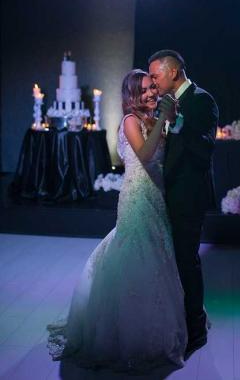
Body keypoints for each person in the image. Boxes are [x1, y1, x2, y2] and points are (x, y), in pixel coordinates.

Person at [47, 69, 187, 374]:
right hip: (137, 196)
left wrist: (171, 120)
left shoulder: (151, 118)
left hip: (157, 196)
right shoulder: (130, 121)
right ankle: (126, 332)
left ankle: (154, 324)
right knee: (136, 254)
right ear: (133, 96)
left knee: (157, 256)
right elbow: (147, 155)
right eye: (146, 90)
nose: (152, 94)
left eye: (154, 88)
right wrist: (163, 120)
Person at [148, 50, 219, 359]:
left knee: (186, 262)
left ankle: (196, 330)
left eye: (155, 75)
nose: (152, 82)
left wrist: (178, 121)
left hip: (189, 196)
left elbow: (205, 149)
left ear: (173, 72)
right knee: (171, 261)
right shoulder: (162, 103)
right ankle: (174, 321)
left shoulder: (203, 100)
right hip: (166, 194)